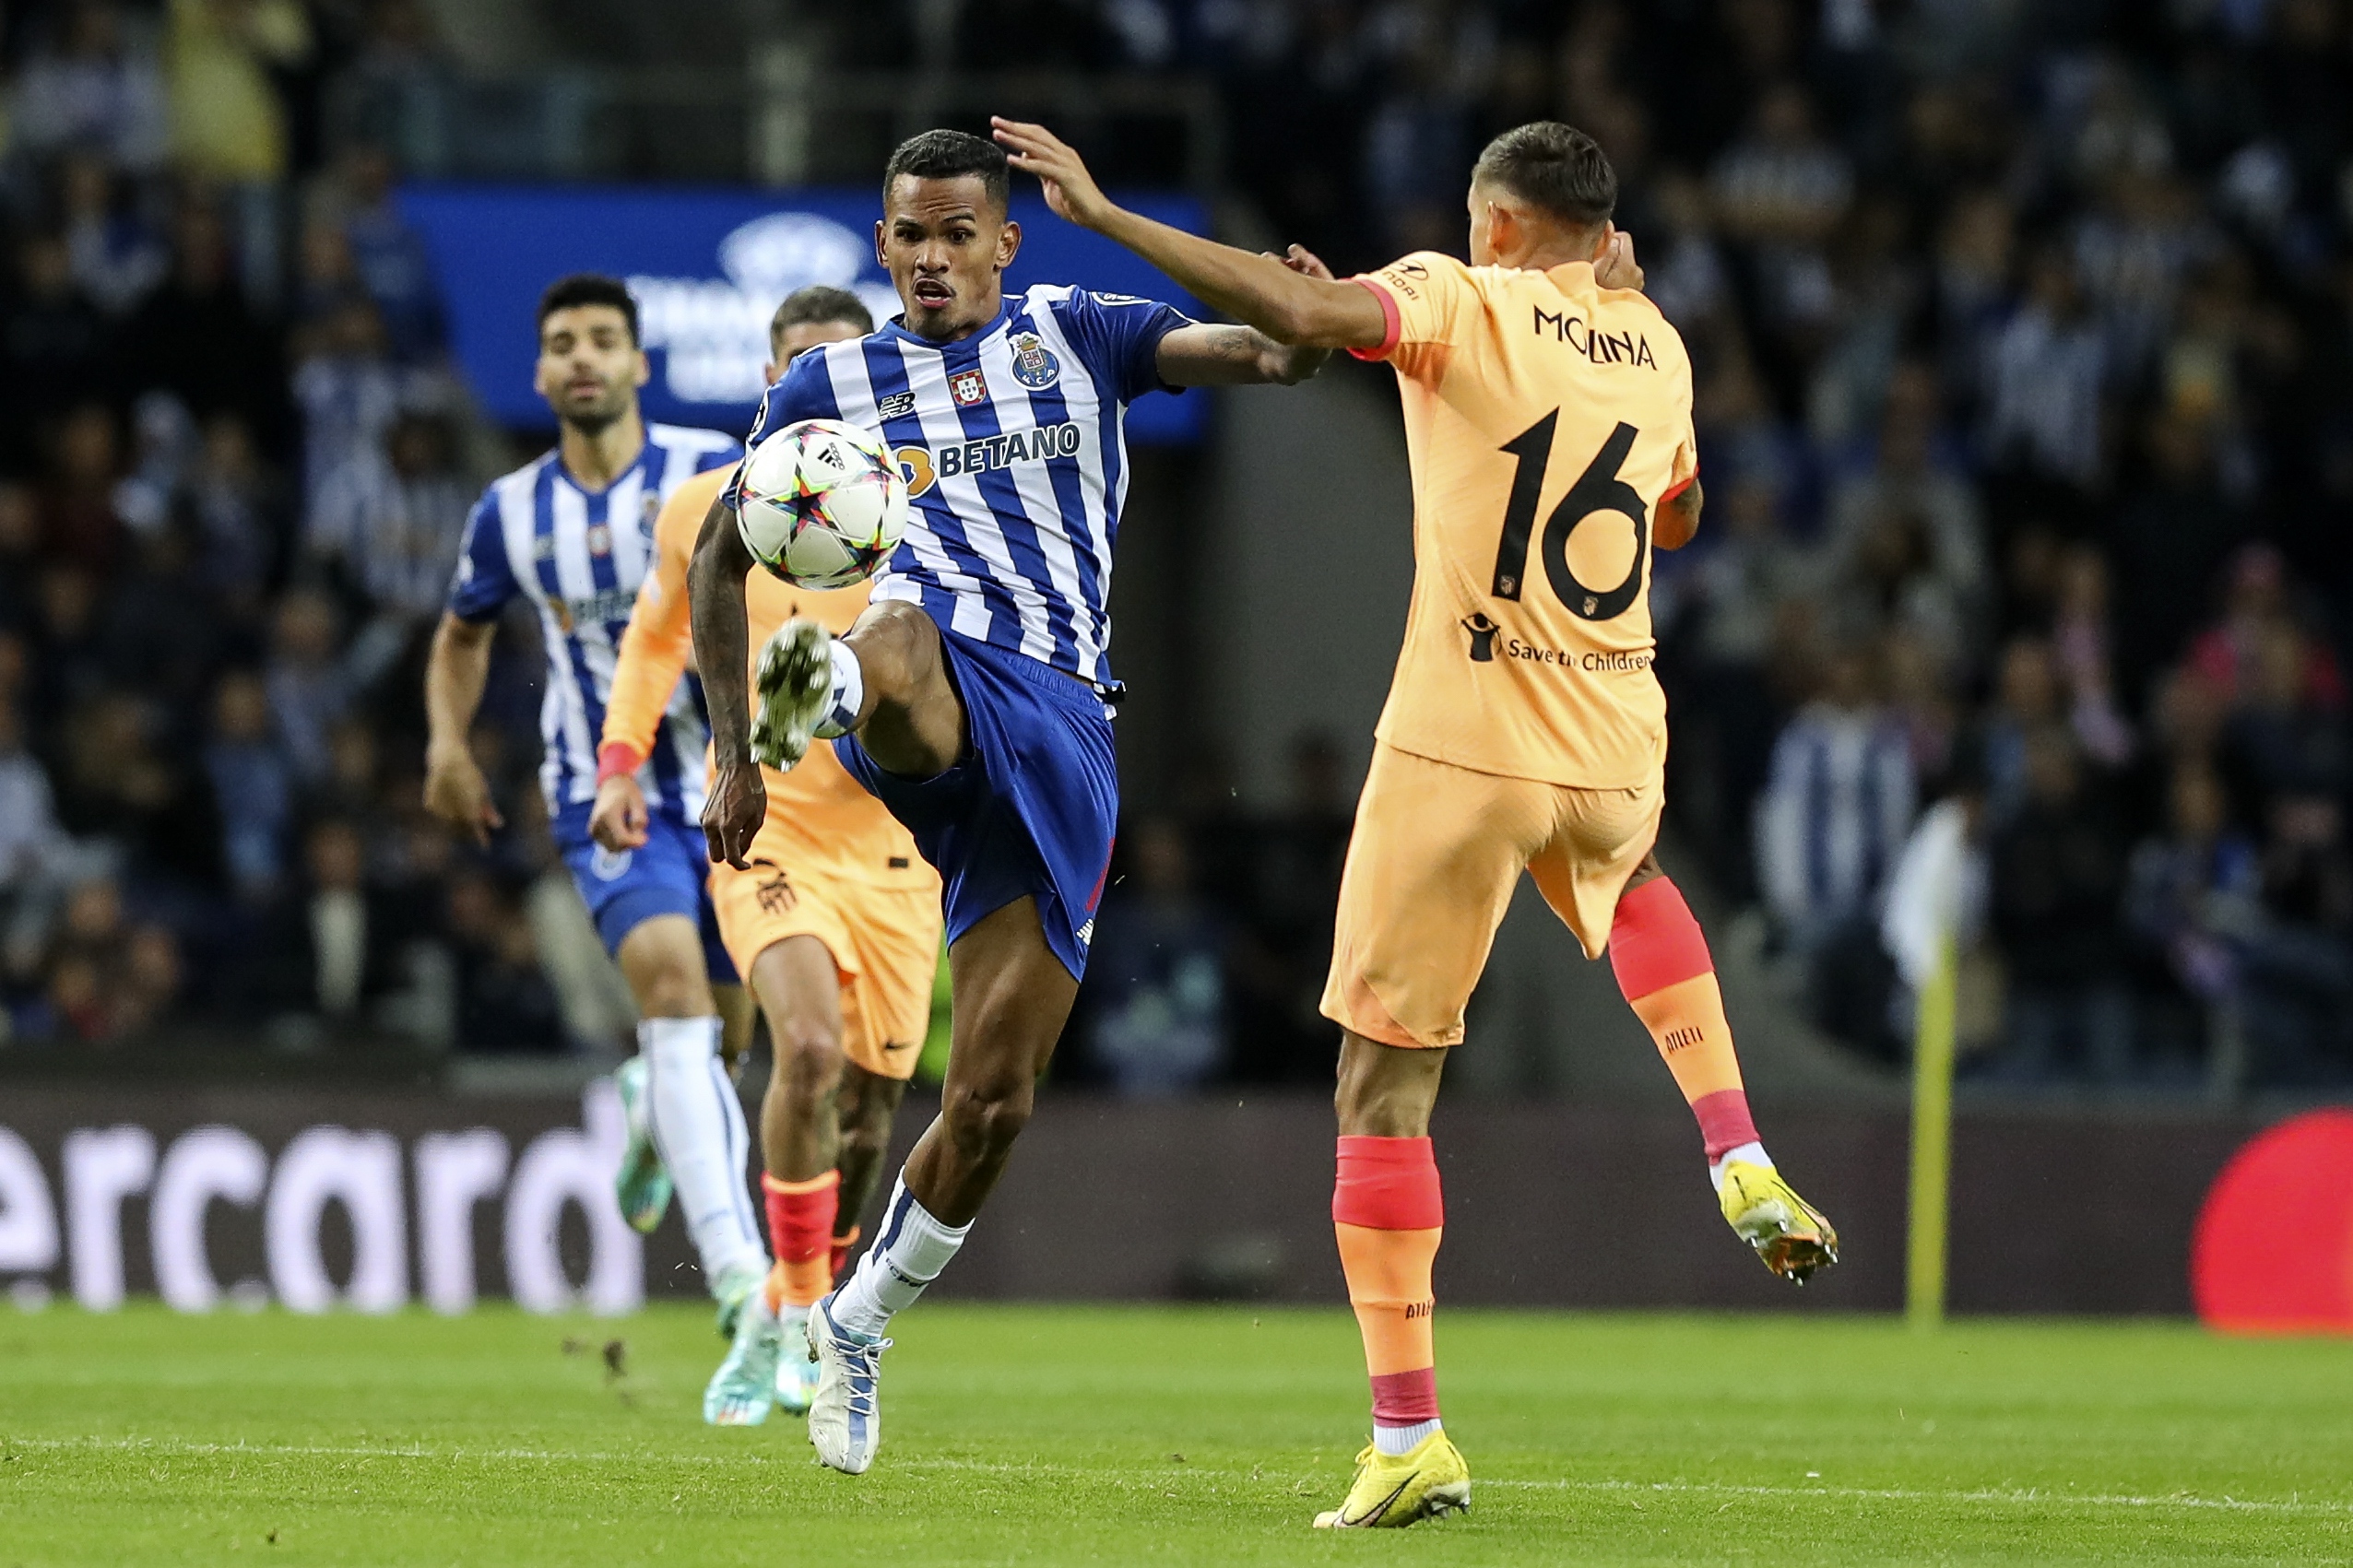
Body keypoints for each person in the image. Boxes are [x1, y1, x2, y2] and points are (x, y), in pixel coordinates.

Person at [999, 115, 1840, 1527]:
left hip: (1463, 733)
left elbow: (1298, 311)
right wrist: (1617, 306)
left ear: (1497, 223)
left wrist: (1106, 215)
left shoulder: (1460, 297)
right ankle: (1733, 1139)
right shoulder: (1663, 343)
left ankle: (1409, 1436)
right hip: (1615, 722)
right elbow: (1677, 517)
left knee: (1381, 1092)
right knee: (1628, 879)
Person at [689, 129, 1327, 1476]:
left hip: (1063, 726)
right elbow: (715, 552)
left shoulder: (1078, 331)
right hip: (926, 685)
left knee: (990, 1102)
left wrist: (1294, 317)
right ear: (883, 245)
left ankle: (858, 1326)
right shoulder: (830, 382)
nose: (931, 258)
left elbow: (1270, 357)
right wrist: (736, 748)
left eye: (956, 234)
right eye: (909, 235)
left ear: (1004, 242)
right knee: (904, 639)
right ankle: (825, 682)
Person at [597, 286, 943, 1427]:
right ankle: (794, 1318)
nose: (822, 388)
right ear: (770, 382)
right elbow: (654, 640)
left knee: (864, 1119)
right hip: (768, 831)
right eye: (801, 366)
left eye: (844, 367)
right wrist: (620, 762)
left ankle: (807, 1301)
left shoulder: (931, 509)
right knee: (802, 1050)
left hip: (899, 852)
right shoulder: (708, 508)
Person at [420, 274, 766, 1335]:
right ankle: (737, 1278)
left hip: (727, 791)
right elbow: (462, 634)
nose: (582, 357)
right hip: (599, 794)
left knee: (727, 1041)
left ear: (637, 364)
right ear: (538, 372)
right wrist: (444, 742)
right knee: (670, 989)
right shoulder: (510, 513)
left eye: (603, 340)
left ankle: (650, 1110)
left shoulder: (705, 478)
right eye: (562, 340)